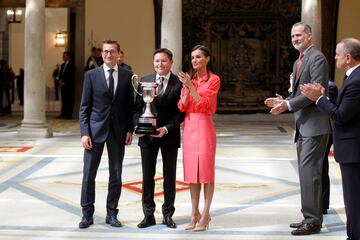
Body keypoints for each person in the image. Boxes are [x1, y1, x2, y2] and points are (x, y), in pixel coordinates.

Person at [264, 22, 330, 235]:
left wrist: (289, 105)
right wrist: (284, 100)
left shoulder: (317, 58)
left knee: (310, 173)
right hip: (303, 125)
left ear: (309, 36)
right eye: (292, 36)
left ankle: (312, 221)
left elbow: (315, 92)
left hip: (315, 125)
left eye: (299, 35)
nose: (295, 39)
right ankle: (309, 216)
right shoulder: (297, 62)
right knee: (306, 173)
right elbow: (297, 93)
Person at [300, 38, 360, 240]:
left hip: (353, 151)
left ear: (348, 57)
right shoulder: (353, 77)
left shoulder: (357, 80)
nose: (335, 58)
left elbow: (341, 115)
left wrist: (319, 98)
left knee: (354, 201)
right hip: (352, 150)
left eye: (337, 54)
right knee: (353, 201)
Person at [79, 40, 134, 229]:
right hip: (94, 132)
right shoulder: (91, 76)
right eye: (105, 52)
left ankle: (112, 213)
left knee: (116, 175)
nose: (108, 55)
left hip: (118, 132)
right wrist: (85, 133)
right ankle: (87, 214)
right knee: (88, 175)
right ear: (101, 54)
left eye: (112, 52)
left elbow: (129, 107)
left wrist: (129, 129)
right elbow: (84, 107)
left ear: (119, 54)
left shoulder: (127, 76)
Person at [134, 48, 184, 229]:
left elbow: (181, 113)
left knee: (169, 176)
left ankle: (168, 215)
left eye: (163, 61)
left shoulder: (180, 83)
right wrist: (137, 127)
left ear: (170, 62)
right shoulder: (144, 81)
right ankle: (148, 215)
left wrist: (166, 128)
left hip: (169, 136)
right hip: (147, 137)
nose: (159, 64)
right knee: (147, 177)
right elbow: (137, 108)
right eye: (156, 61)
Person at [178, 45, 221, 232]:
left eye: (198, 57)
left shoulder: (214, 80)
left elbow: (204, 105)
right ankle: (194, 212)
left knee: (205, 172)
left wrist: (190, 87)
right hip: (188, 127)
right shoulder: (190, 79)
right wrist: (187, 89)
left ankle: (205, 213)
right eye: (192, 57)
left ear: (207, 59)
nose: (194, 60)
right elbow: (181, 106)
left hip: (204, 126)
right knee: (192, 174)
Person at [322, 79, 338, 215]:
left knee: (321, 166)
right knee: (319, 166)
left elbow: (329, 110)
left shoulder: (330, 86)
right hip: (314, 130)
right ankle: (319, 203)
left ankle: (322, 204)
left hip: (326, 130)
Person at [58, 51, 75, 119]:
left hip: (69, 85)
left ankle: (69, 115)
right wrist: (60, 80)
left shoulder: (72, 64)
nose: (63, 57)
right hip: (63, 86)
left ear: (68, 56)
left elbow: (70, 75)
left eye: (64, 56)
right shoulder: (62, 65)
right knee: (64, 100)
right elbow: (60, 74)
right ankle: (63, 114)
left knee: (69, 100)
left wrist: (64, 82)